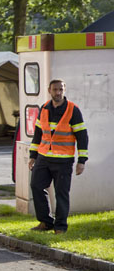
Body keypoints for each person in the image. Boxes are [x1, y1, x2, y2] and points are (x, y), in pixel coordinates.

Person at [28, 79, 88, 234]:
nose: (58, 92)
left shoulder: (73, 110)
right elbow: (38, 133)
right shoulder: (45, 108)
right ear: (49, 90)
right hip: (43, 158)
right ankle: (46, 222)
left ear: (64, 90)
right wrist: (32, 156)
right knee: (36, 186)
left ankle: (60, 227)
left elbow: (82, 136)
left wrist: (82, 161)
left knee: (61, 194)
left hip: (63, 161)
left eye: (61, 89)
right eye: (55, 89)